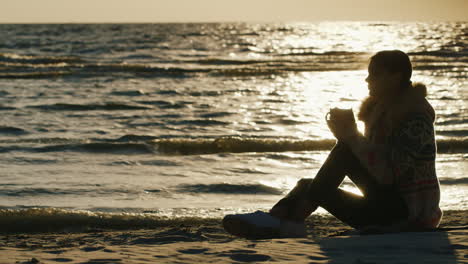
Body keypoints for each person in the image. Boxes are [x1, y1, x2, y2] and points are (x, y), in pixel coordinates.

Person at [222, 50, 442, 239]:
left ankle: (282, 224)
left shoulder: (415, 118)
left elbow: (387, 176)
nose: (367, 80)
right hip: (386, 205)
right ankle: (277, 219)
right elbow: (373, 167)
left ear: (396, 77)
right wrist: (345, 135)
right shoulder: (382, 112)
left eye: (375, 74)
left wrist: (351, 138)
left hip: (409, 215)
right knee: (310, 185)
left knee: (342, 155)